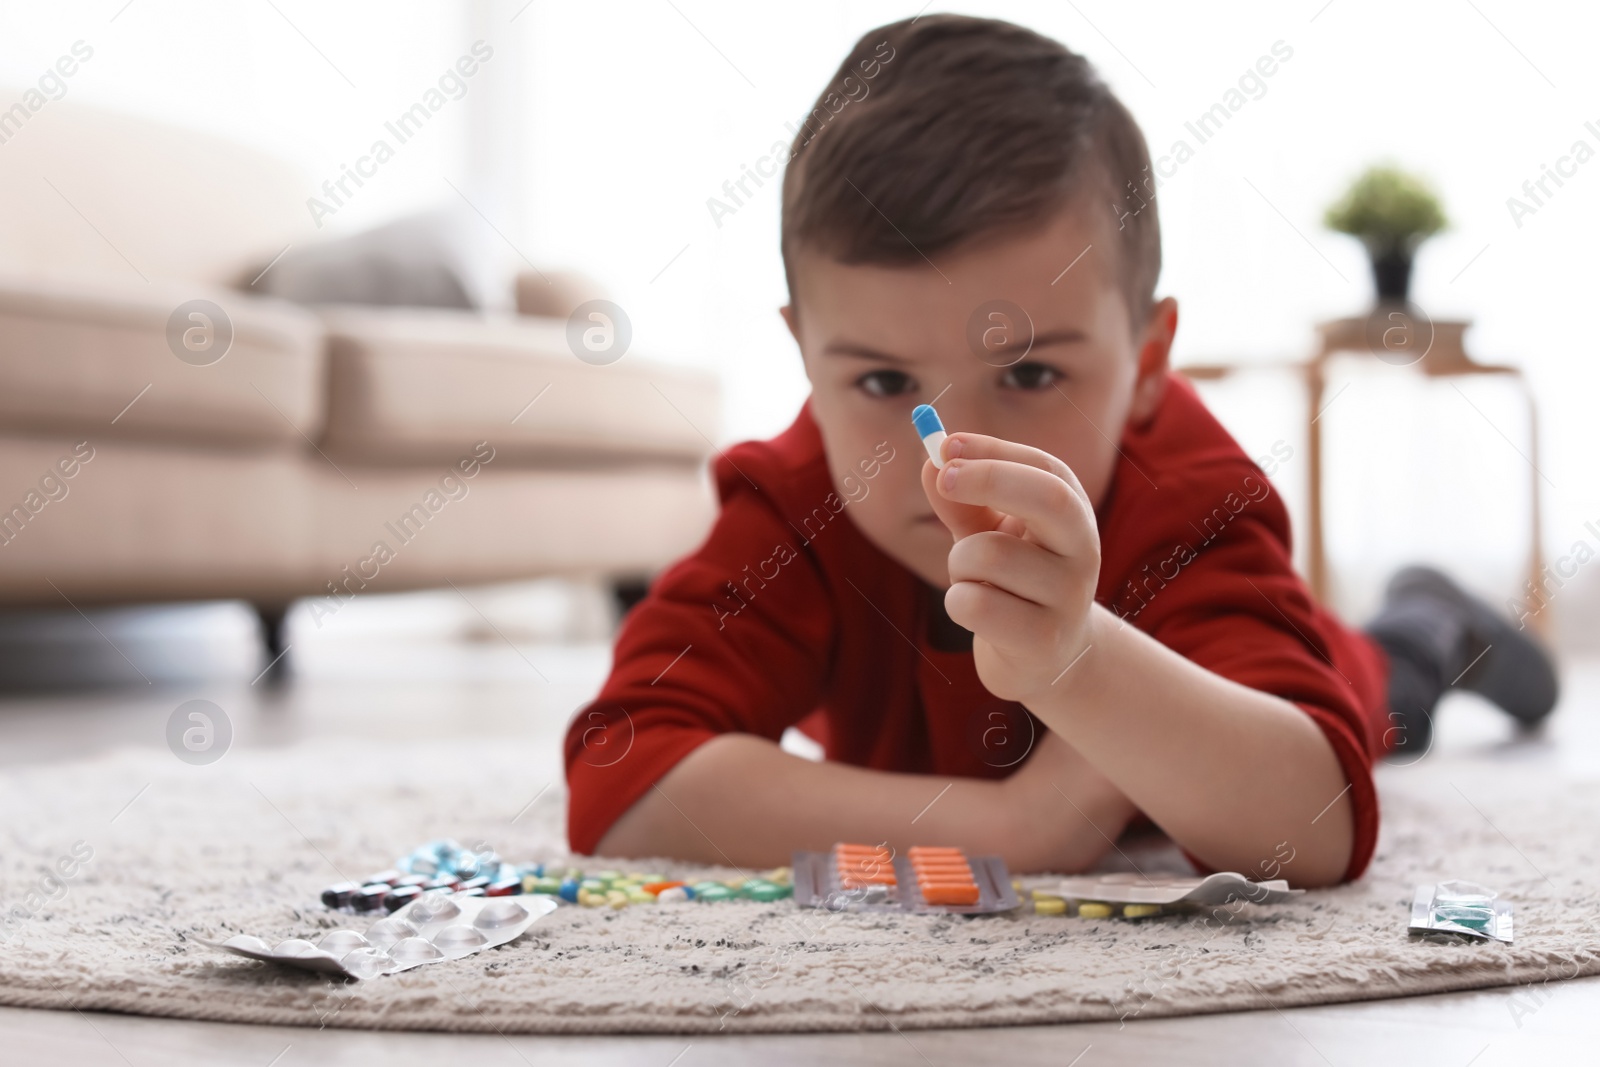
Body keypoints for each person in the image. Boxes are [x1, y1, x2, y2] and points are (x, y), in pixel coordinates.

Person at [562, 15, 1558, 887]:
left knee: (1380, 689)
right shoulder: (794, 500)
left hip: (1297, 672)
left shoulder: (1190, 492)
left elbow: (1314, 824)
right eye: (880, 384)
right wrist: (1019, 826)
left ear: (1149, 362)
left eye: (1031, 376)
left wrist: (1076, 656)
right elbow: (622, 775)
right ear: (805, 363)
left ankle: (1423, 624)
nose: (948, 457)